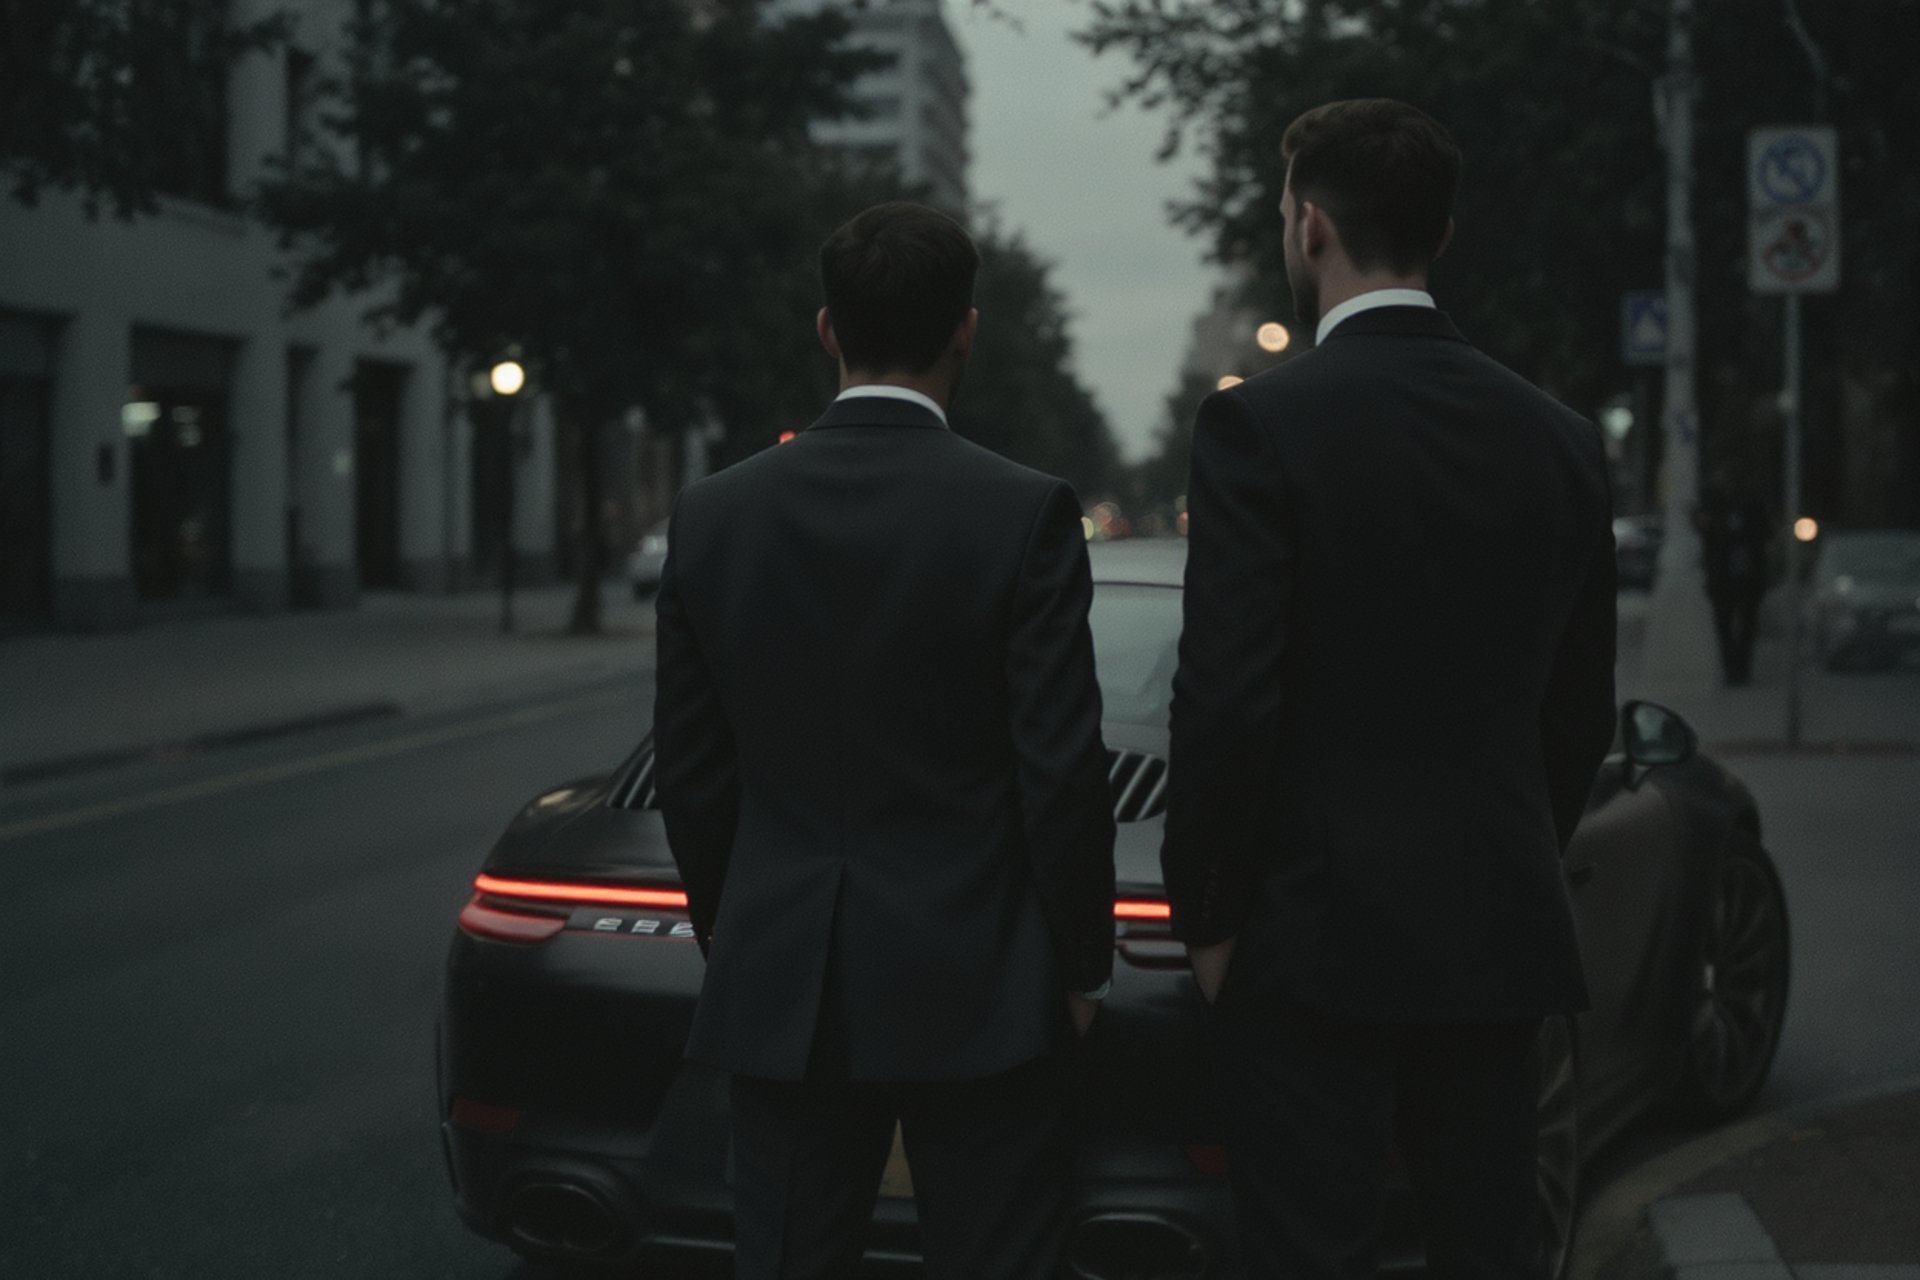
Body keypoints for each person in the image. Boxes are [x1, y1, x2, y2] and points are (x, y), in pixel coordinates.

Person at [1161, 100, 1617, 1280]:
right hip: (1493, 928)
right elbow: (1577, 709)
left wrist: (1209, 914)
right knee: (1485, 1245)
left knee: (1309, 1246)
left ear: (1310, 227)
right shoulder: (1559, 437)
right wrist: (1510, 849)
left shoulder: (1259, 426)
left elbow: (1226, 701)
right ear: (1443, 234)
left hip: (1311, 939)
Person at [652, 201, 1116, 1280]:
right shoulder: (1024, 510)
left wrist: (744, 926)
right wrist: (1080, 960)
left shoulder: (715, 513)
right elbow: (1059, 764)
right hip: (983, 973)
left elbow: (692, 765)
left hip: (784, 975)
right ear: (967, 328)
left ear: (827, 330)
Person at [1698, 470, 1772, 685]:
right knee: (1726, 626)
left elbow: (1763, 532)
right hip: (1723, 577)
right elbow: (1706, 534)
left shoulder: (1749, 504)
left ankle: (1741, 669)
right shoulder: (1714, 504)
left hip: (1746, 575)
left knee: (1746, 624)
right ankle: (1732, 670)